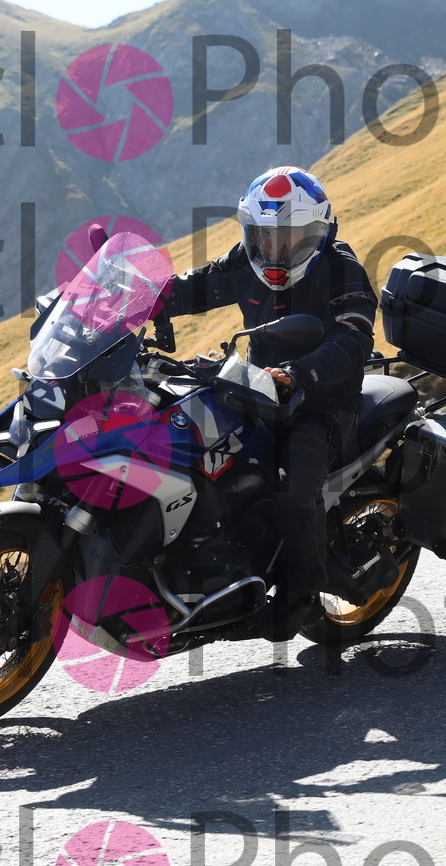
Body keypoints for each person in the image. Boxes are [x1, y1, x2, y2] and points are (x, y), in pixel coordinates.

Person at [160, 166, 377, 640]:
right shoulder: (246, 259)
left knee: (294, 487)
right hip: (255, 388)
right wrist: (143, 298)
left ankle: (300, 597)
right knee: (186, 446)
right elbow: (197, 285)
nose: (274, 248)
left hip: (323, 402)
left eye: (289, 237)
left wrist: (299, 373)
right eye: (264, 236)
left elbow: (353, 339)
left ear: (317, 232)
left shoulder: (341, 269)